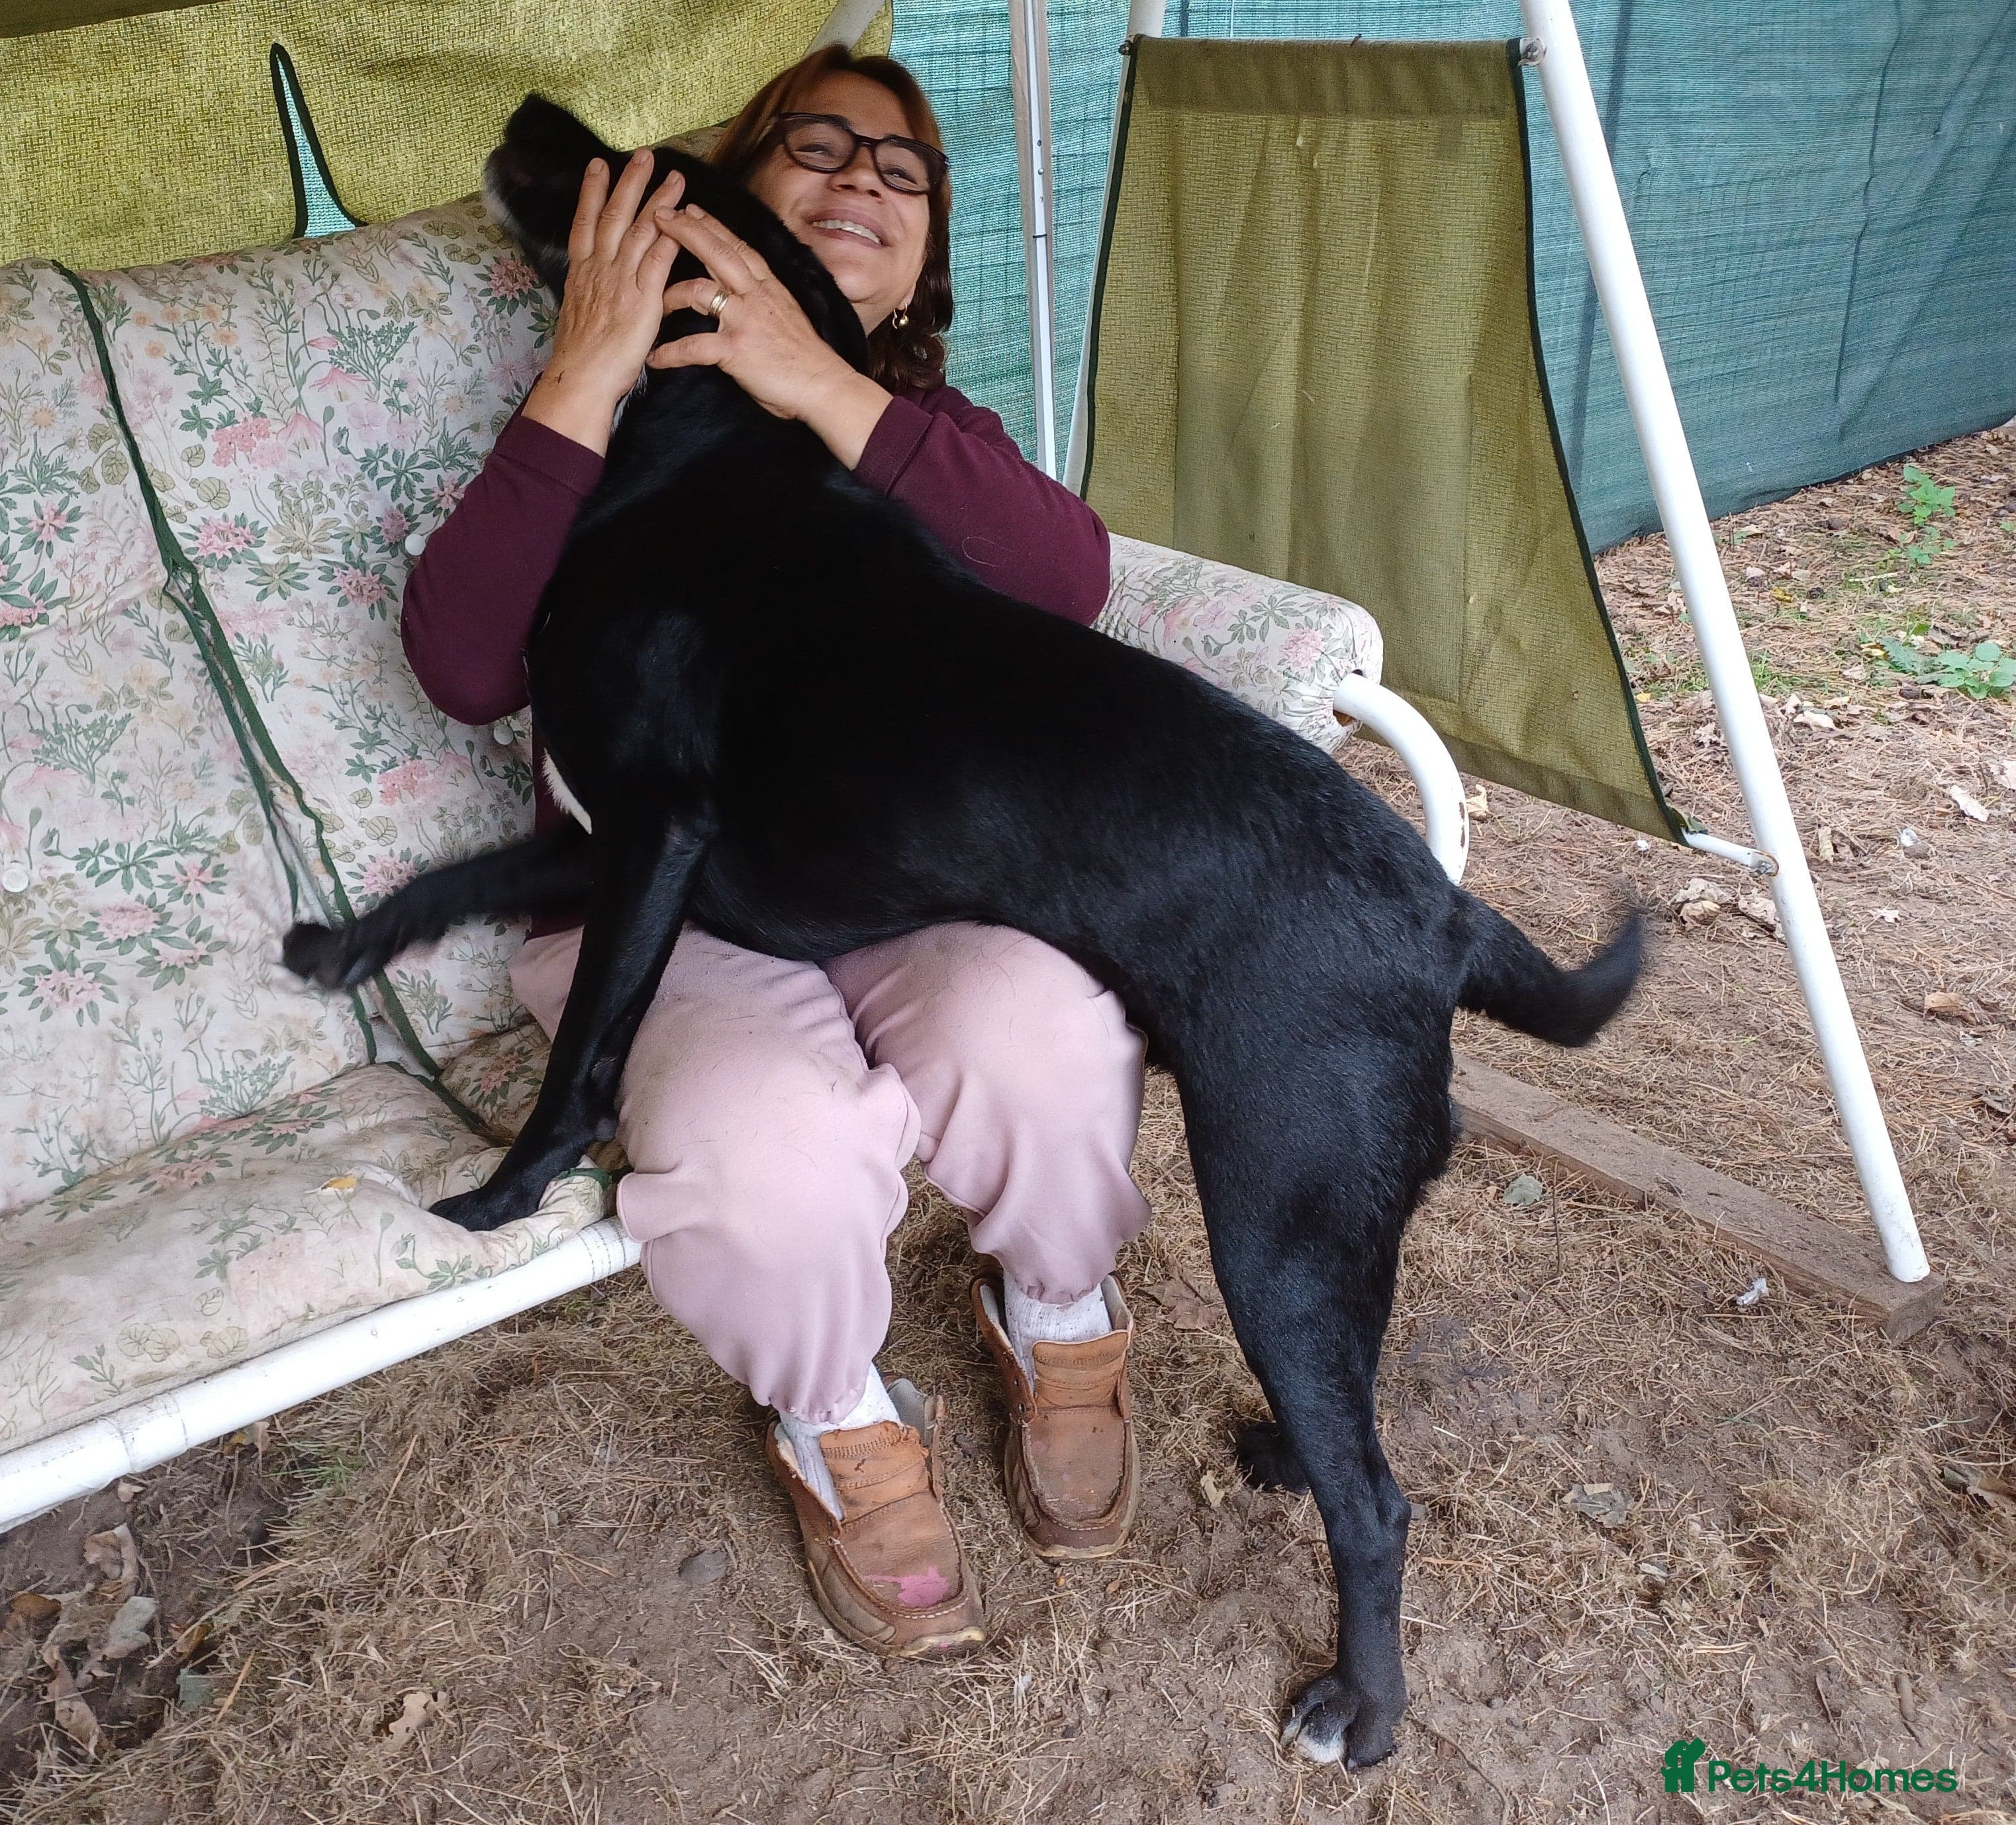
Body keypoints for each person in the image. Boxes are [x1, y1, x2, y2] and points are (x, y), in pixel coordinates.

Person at [402, 47, 1151, 1658]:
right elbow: (467, 664)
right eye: (813, 149)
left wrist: (817, 377)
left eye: (901, 171)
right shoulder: (613, 419)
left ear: (919, 260)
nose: (859, 179)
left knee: (1041, 1030)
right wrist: (590, 369)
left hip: (899, 885)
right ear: (723, 206)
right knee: (764, 1142)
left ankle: (1058, 1306)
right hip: (653, 910)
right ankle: (835, 1413)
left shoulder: (919, 430)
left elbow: (1066, 577)